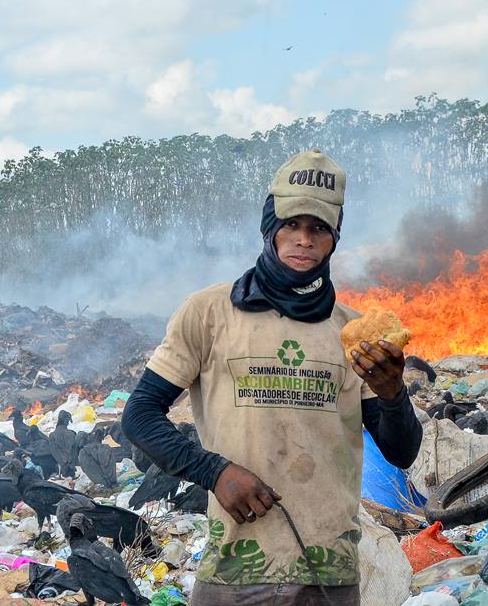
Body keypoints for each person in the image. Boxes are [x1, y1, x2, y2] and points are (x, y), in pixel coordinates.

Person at [123, 149, 423, 606]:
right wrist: (214, 472)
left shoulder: (353, 332)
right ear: (269, 227)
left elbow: (401, 452)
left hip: (327, 574)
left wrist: (392, 394)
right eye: (291, 224)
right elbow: (140, 415)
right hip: (234, 570)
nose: (303, 239)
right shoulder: (209, 313)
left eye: (319, 228)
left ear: (334, 237)